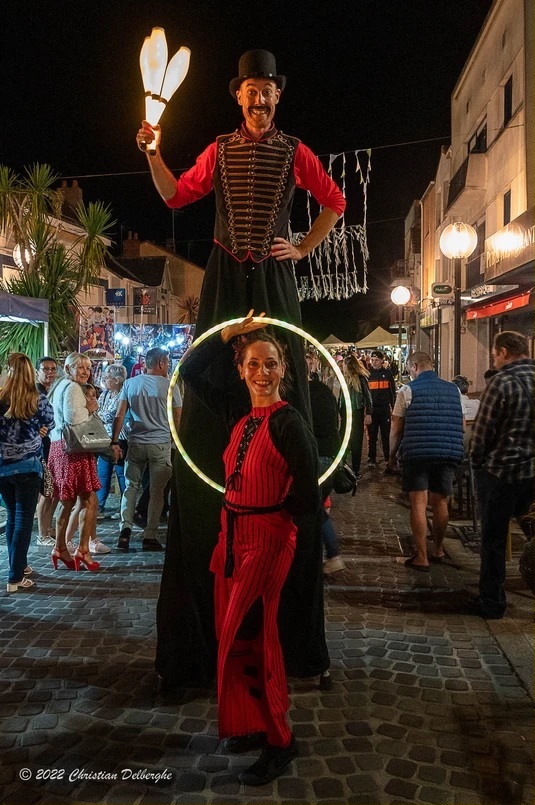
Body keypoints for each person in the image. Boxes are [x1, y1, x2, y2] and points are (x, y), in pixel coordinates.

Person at [138, 50, 341, 687]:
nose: (260, 100)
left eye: (268, 92)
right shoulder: (221, 149)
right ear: (239, 96)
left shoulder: (297, 151)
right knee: (206, 374)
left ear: (278, 97)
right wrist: (151, 150)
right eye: (251, 91)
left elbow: (333, 201)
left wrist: (302, 246)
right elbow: (174, 193)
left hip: (275, 276)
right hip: (227, 275)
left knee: (285, 378)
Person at [180, 312, 320, 785]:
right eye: (254, 364)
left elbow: (306, 495)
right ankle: (251, 723)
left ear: (284, 370)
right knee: (234, 637)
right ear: (241, 369)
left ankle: (281, 739)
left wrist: (278, 520)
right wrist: (230, 334)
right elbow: (192, 370)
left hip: (267, 542)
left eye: (272, 364)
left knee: (260, 640)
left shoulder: (290, 424)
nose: (263, 372)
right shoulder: (237, 413)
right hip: (233, 539)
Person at [469, 331, 534, 619]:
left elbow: (482, 433)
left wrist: (477, 462)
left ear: (505, 351)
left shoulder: (501, 382)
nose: (494, 359)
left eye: (495, 354)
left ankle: (492, 601)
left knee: (493, 539)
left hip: (502, 473)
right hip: (534, 474)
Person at [387, 351, 464, 571]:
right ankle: (438, 549)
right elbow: (463, 425)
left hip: (417, 453)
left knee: (418, 504)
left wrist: (391, 458)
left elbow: (396, 427)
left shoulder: (407, 390)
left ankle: (421, 556)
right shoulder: (454, 390)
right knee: (441, 502)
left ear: (413, 366)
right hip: (448, 452)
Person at [111, 347, 182, 552]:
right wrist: (176, 443)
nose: (168, 366)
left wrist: (115, 441)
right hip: (160, 444)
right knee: (156, 492)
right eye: (167, 362)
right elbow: (177, 418)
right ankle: (149, 535)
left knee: (131, 487)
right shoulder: (169, 387)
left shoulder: (131, 384)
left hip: (136, 442)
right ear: (160, 363)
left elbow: (119, 415)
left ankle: (125, 529)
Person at [0, 353, 55, 592]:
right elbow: (51, 421)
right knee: (22, 520)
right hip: (28, 465)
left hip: (3, 467)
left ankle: (18, 566)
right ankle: (15, 577)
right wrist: (38, 430)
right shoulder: (37, 398)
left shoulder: (1, 397)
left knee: (13, 516)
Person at [48, 352, 101, 572]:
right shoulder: (71, 389)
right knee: (89, 501)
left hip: (62, 446)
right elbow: (75, 419)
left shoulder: (60, 386)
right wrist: (91, 409)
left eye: (87, 368)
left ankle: (61, 547)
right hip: (74, 449)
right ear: (68, 369)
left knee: (68, 502)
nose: (85, 372)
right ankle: (82, 550)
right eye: (80, 367)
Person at [306, 351, 345, 574]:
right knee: (316, 507)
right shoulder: (323, 391)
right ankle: (328, 554)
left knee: (313, 508)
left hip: (317, 456)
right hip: (331, 455)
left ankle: (332, 553)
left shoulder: (298, 395)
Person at [65, 383, 111, 556]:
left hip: (90, 456)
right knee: (84, 503)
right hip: (80, 457)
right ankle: (68, 541)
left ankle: (90, 539)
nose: (93, 398)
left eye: (94, 395)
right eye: (88, 396)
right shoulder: (80, 415)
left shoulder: (91, 413)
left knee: (91, 502)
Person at [96, 364, 128, 519]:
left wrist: (98, 414)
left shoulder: (123, 394)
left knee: (121, 473)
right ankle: (98, 507)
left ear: (117, 379)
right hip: (104, 437)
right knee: (103, 473)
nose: (104, 380)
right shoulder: (105, 394)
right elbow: (97, 411)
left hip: (120, 438)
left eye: (107, 378)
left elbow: (109, 415)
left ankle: (125, 508)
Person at [35, 356, 59, 547]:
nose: (50, 372)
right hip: (41, 449)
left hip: (53, 446)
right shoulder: (36, 393)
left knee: (53, 490)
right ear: (37, 372)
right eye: (46, 369)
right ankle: (42, 534)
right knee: (46, 491)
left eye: (53, 369)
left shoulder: (54, 391)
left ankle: (48, 529)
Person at [341, 355, 373, 478]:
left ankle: (355, 469)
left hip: (356, 412)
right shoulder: (344, 379)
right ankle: (343, 467)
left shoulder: (360, 378)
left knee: (356, 441)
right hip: (346, 412)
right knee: (343, 439)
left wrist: (369, 413)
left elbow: (368, 396)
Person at [367, 350, 396, 467]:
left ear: (381, 361)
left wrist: (393, 408)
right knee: (372, 435)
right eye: (372, 360)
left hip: (384, 409)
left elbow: (392, 392)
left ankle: (387, 458)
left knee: (386, 434)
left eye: (377, 360)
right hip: (373, 409)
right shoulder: (367, 374)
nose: (374, 362)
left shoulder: (388, 374)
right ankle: (371, 458)